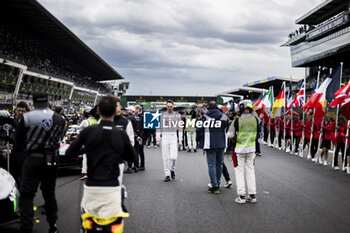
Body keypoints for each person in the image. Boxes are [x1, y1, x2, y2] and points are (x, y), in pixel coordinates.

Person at [65, 95, 136, 230]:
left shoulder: (88, 132)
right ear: (116, 111)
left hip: (92, 187)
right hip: (112, 187)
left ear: (98, 111)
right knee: (112, 227)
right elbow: (133, 157)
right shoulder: (120, 134)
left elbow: (70, 153)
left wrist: (87, 149)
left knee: (89, 226)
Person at [15, 93, 66, 233]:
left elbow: (18, 141)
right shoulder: (60, 119)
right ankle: (52, 226)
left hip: (32, 158)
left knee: (26, 194)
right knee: (49, 194)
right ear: (47, 102)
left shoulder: (27, 117)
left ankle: (26, 227)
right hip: (51, 159)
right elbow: (61, 137)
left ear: (33, 102)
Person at [228, 100, 259, 204]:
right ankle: (252, 195)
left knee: (239, 172)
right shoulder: (255, 119)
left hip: (239, 149)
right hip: (251, 149)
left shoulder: (237, 120)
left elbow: (230, 135)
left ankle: (241, 196)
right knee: (250, 171)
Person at [197, 101, 229, 194]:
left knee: (211, 164)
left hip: (209, 143)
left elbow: (199, 129)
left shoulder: (205, 117)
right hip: (221, 143)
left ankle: (214, 185)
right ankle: (218, 183)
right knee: (219, 164)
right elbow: (227, 129)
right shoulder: (224, 116)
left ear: (208, 108)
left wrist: (199, 139)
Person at [156, 99, 183, 182]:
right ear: (166, 106)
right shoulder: (162, 115)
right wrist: (158, 139)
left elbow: (180, 128)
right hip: (165, 136)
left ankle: (172, 169)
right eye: (168, 106)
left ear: (173, 106)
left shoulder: (177, 115)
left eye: (171, 106)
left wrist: (180, 140)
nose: (169, 108)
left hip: (173, 136)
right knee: (165, 157)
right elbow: (159, 127)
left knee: (173, 157)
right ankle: (167, 174)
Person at [114, 98, 135, 175]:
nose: (115, 107)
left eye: (117, 106)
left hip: (119, 157)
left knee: (116, 182)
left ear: (120, 107)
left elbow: (130, 138)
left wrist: (129, 151)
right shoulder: (102, 120)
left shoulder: (126, 121)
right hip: (104, 159)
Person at [10, 101, 29, 186]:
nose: (20, 112)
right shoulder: (12, 122)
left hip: (25, 153)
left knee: (24, 177)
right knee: (13, 176)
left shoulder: (30, 123)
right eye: (19, 110)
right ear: (16, 111)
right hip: (13, 153)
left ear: (27, 111)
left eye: (23, 111)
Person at [79, 107, 99, 180]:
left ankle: (84, 173)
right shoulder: (97, 121)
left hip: (88, 142)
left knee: (86, 157)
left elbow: (79, 128)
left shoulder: (85, 121)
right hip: (97, 141)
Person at [129, 105, 145, 171]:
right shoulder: (139, 117)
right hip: (140, 135)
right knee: (138, 150)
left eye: (135, 109)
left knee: (140, 150)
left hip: (141, 136)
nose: (133, 111)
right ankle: (138, 164)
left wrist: (139, 136)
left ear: (138, 109)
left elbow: (141, 128)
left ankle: (141, 165)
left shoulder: (141, 117)